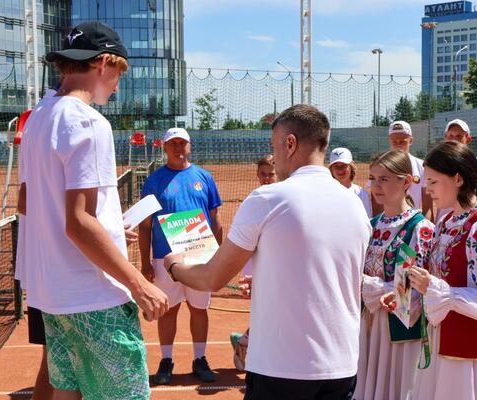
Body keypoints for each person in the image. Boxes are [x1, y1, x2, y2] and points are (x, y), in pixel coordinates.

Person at [163, 104, 371, 400]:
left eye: (274, 145)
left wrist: (174, 266)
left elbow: (212, 278)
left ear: (290, 144)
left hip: (282, 367)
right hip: (341, 366)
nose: (273, 156)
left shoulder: (268, 199)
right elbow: (324, 272)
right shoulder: (355, 205)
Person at [18, 21, 168, 399]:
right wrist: (140, 283)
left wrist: (110, 226)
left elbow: (29, 202)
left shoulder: (38, 117)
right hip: (94, 296)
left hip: (52, 296)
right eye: (119, 72)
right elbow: (79, 223)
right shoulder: (88, 121)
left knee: (65, 393)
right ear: (103, 63)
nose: (118, 83)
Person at [405, 141, 477, 400]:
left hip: (474, 353)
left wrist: (436, 289)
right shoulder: (447, 221)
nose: (427, 188)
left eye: (434, 182)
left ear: (457, 179)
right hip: (443, 343)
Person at [139, 127, 223, 385]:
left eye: (182, 143)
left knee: (199, 310)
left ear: (189, 146)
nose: (178, 148)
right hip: (165, 259)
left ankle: (200, 358)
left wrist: (218, 258)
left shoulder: (204, 177)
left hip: (200, 257)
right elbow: (145, 225)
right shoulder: (154, 181)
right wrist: (145, 263)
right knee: (169, 310)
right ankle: (166, 360)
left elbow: (215, 221)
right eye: (173, 143)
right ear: (165, 147)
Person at [354, 150, 434, 400]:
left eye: (384, 179)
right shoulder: (370, 225)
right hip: (368, 327)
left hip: (398, 331)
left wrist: (366, 285)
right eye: (373, 178)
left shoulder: (418, 228)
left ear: (407, 182)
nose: (376, 186)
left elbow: (405, 293)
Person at [230, 154, 278, 372]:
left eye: (271, 174)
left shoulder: (286, 196)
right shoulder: (255, 198)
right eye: (263, 174)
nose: (267, 178)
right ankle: (245, 343)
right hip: (259, 263)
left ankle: (245, 341)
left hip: (280, 264)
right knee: (267, 310)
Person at [436, 118, 477, 223]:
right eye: (450, 135)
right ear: (445, 138)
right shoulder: (437, 164)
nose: (454, 139)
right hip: (444, 223)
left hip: (471, 221)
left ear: (468, 139)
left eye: (459, 136)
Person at [373, 121, 433, 220]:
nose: (398, 145)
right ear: (389, 140)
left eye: (402, 141)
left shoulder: (421, 166)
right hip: (387, 223)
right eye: (394, 142)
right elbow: (377, 206)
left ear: (411, 141)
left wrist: (428, 231)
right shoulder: (380, 166)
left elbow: (427, 207)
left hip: (412, 224)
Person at [328, 147, 373, 217]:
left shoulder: (361, 193)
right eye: (336, 166)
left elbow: (367, 220)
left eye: (344, 166)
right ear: (331, 170)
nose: (340, 170)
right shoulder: (326, 193)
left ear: (351, 167)